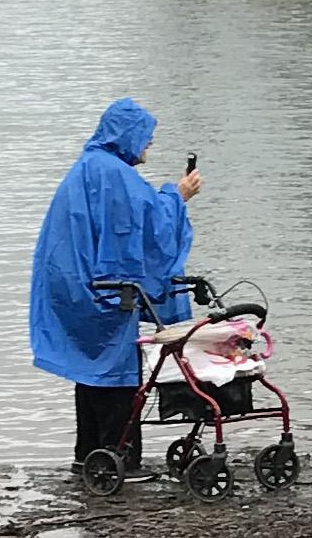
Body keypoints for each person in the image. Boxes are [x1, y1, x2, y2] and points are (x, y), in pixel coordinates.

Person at [26, 99, 199, 477]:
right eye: (147, 139)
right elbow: (143, 227)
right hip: (104, 289)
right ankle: (120, 457)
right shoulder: (112, 174)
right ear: (129, 135)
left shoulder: (87, 168)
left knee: (90, 370)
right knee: (119, 370)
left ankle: (87, 455)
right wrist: (179, 196)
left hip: (70, 286)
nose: (148, 147)